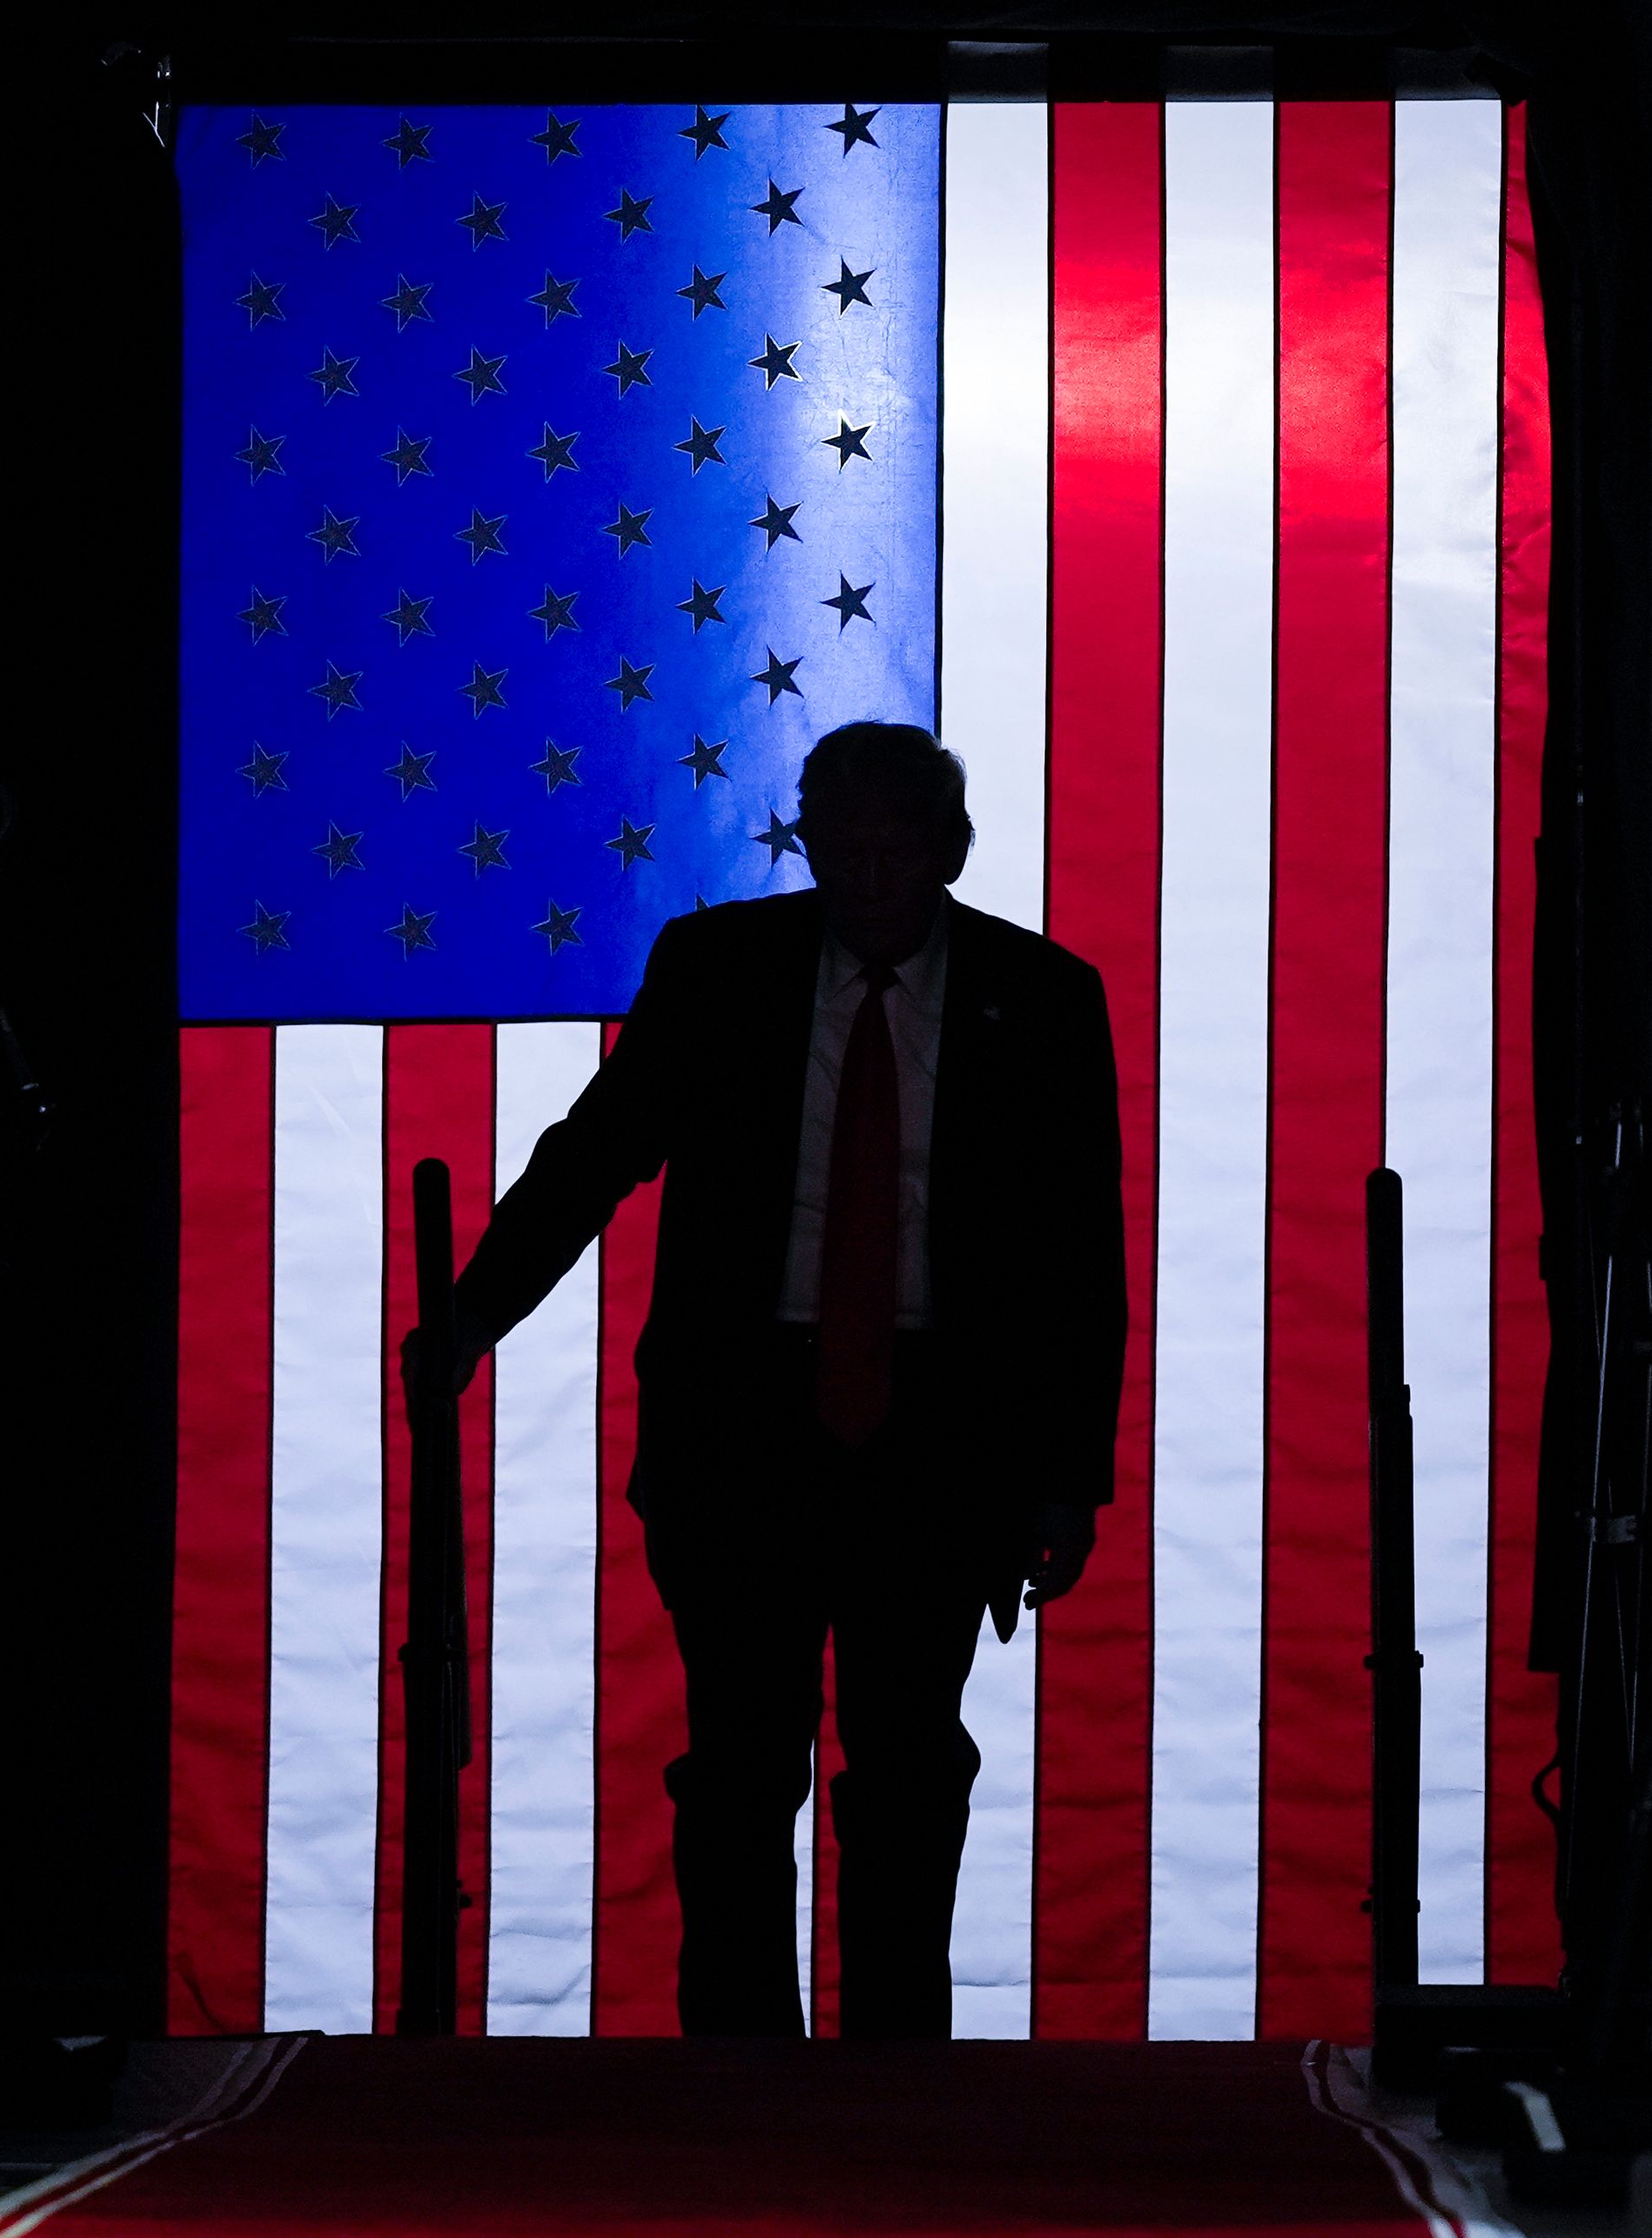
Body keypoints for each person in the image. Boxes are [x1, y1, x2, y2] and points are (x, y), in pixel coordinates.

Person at [417, 719, 1125, 2038]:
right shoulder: (719, 970)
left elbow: (1078, 1260)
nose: (865, 872)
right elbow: (596, 1157)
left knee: (909, 1770)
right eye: (839, 844)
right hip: (740, 1437)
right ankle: (737, 2074)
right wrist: (472, 1313)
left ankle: (895, 2069)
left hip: (941, 1443)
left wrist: (1066, 1483)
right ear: (806, 847)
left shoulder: (1042, 998)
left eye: (893, 845)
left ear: (949, 853)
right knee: (740, 1769)